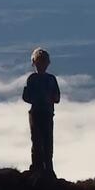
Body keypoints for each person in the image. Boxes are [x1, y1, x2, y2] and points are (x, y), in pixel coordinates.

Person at [22, 48, 61, 176]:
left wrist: (49, 98)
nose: (42, 65)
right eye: (39, 62)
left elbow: (57, 97)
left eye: (44, 62)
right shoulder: (32, 78)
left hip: (47, 113)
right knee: (37, 141)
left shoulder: (51, 79)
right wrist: (40, 98)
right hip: (36, 113)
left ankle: (48, 168)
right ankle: (37, 168)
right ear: (34, 63)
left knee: (48, 142)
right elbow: (26, 96)